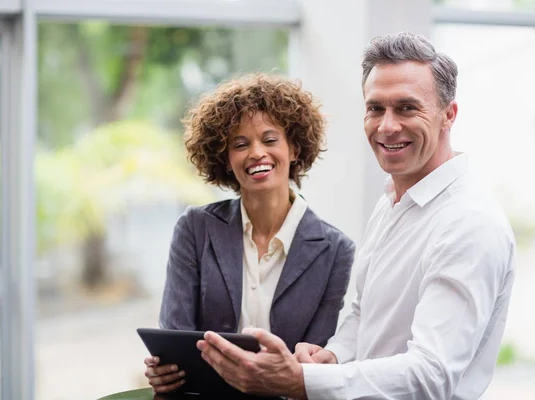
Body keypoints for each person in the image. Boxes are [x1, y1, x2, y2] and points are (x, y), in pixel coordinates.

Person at [196, 32, 516, 400]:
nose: (387, 126)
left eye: (407, 108)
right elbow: (366, 316)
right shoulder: (394, 199)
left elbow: (432, 374)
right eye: (375, 108)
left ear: (449, 115)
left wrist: (301, 382)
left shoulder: (468, 223)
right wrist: (332, 356)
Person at [143, 74, 356, 394]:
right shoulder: (195, 229)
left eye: (270, 140)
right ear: (226, 160)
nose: (256, 153)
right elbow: (175, 338)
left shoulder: (336, 250)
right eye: (240, 144)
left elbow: (312, 362)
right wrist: (166, 371)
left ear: (294, 148)